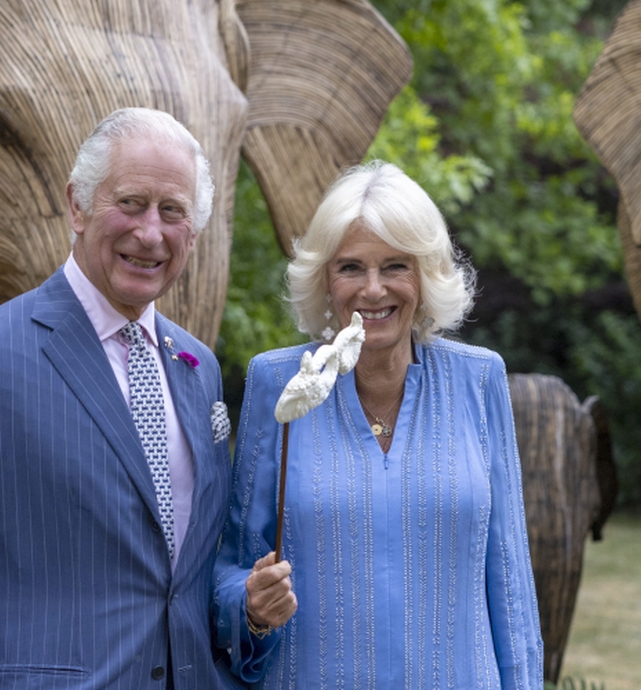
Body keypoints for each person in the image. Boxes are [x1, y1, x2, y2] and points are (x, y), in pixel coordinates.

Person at [0, 107, 234, 689]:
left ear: (193, 231)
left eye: (173, 211)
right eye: (131, 203)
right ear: (77, 205)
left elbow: (186, 575)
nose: (151, 232)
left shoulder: (198, 369)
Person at [213, 161, 544, 689]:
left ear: (426, 274)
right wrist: (250, 607)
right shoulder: (279, 382)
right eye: (350, 268)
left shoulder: (479, 380)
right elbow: (230, 566)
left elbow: (508, 582)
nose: (373, 289)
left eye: (395, 265)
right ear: (324, 278)